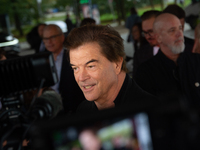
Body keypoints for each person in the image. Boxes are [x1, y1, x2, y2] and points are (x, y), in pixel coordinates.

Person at [65, 24, 157, 113]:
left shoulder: (151, 110)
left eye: (90, 66)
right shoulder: (83, 110)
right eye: (75, 68)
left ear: (117, 64)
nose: (81, 78)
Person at [136, 13, 200, 108]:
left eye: (180, 28)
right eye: (172, 30)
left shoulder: (197, 60)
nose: (179, 34)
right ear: (159, 38)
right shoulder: (145, 73)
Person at [42, 24, 85, 114]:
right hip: (50, 110)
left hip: (74, 109)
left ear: (62, 37)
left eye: (52, 37)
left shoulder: (73, 56)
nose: (49, 41)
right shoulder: (40, 60)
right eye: (45, 39)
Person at [132, 10, 160, 79]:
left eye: (151, 31)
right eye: (145, 32)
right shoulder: (139, 55)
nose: (147, 36)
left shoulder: (179, 50)